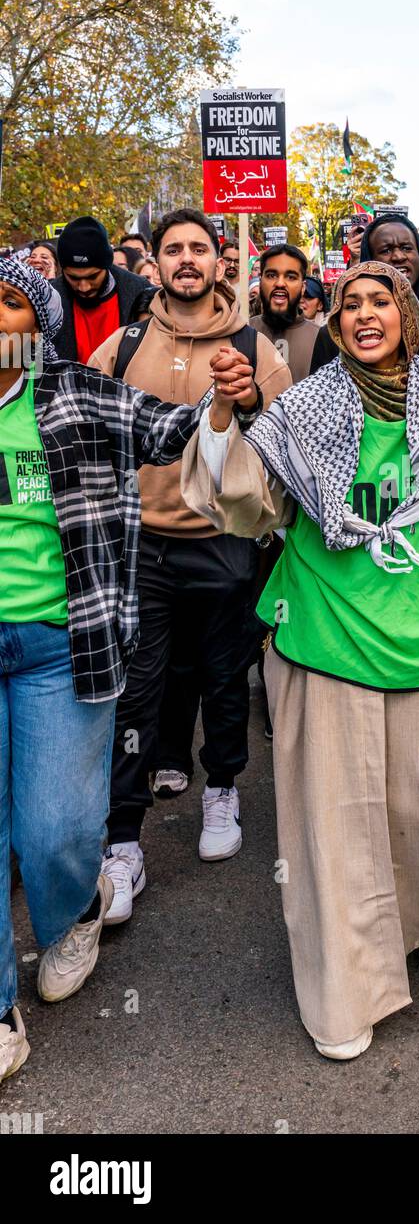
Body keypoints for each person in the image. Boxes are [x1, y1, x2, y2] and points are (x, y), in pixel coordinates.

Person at [180, 260, 419, 1060]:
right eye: (350, 304)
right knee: (336, 831)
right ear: (336, 320)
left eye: (382, 301)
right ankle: (347, 995)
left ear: (406, 315)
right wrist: (224, 410)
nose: (365, 315)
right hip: (326, 642)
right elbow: (245, 506)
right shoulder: (304, 406)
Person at [0, 258, 207, 1084]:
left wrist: (236, 395)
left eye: (9, 303)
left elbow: (177, 429)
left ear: (38, 326)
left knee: (53, 829)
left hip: (61, 643)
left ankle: (75, 908)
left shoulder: (76, 395)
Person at [87, 209, 291, 927]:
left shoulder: (251, 342)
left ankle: (223, 789)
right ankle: (122, 841)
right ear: (158, 265)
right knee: (137, 693)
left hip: (225, 540)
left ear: (218, 263)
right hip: (141, 545)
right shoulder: (127, 339)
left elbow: (287, 432)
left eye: (197, 249)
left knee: (223, 676)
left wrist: (250, 395)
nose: (183, 259)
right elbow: (84, 419)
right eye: (171, 249)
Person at [309, 214, 419, 414]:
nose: (398, 257)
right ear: (368, 260)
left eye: (406, 248)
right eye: (386, 250)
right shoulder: (335, 336)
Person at [52, 217, 153, 363]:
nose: (84, 287)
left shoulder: (139, 290)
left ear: (107, 266)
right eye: (73, 278)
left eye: (92, 276)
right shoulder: (48, 298)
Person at [251, 244, 319, 382]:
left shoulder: (320, 339)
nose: (280, 283)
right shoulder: (243, 332)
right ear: (261, 281)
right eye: (271, 275)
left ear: (303, 287)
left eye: (291, 277)